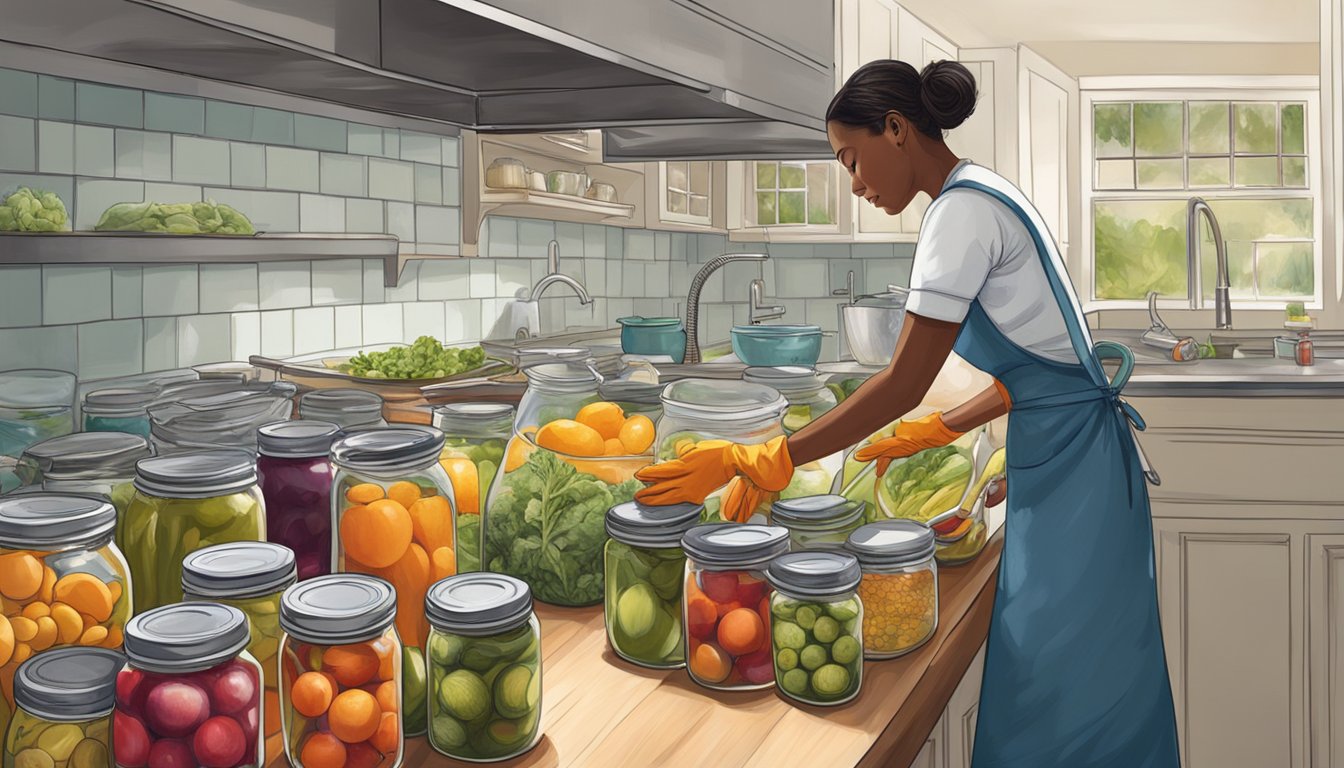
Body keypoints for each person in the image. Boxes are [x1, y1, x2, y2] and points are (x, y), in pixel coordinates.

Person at [635, 59, 1181, 767]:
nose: (856, 184)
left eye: (852, 159)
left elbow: (903, 382)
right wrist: (950, 425)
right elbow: (1051, 368)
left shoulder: (958, 214)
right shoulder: (983, 192)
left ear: (895, 129)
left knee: (1066, 697)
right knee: (1079, 684)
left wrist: (768, 456)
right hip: (1075, 458)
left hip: (1077, 476)